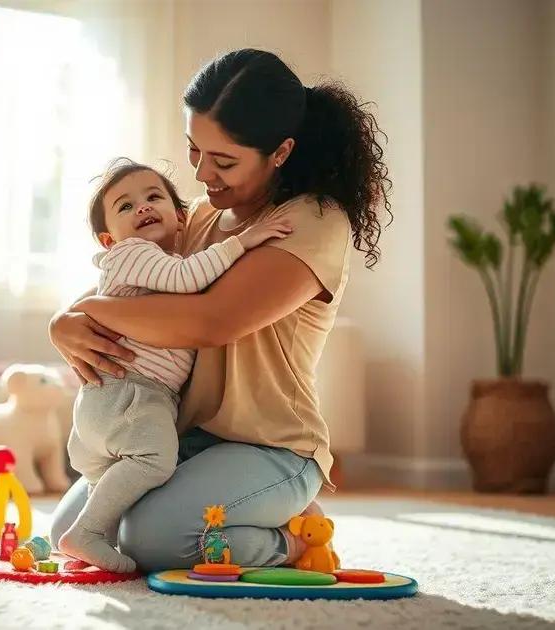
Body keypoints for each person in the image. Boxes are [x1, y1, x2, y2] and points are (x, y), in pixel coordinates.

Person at [49, 49, 391, 572]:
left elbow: (211, 321)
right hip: (185, 438)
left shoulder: (312, 222)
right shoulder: (205, 217)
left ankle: (293, 538)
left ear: (280, 152)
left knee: (151, 541)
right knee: (68, 531)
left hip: (272, 447)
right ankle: (227, 512)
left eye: (224, 161)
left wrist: (89, 311)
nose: (203, 173)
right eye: (194, 151)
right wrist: (64, 322)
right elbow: (136, 283)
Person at [58, 158, 292, 572]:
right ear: (109, 241)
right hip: (132, 393)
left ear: (181, 218)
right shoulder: (134, 254)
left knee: (114, 498)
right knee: (153, 461)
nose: (142, 207)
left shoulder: (148, 266)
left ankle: (92, 535)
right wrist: (244, 241)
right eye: (125, 207)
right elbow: (189, 277)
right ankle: (88, 534)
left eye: (153, 197)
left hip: (108, 405)